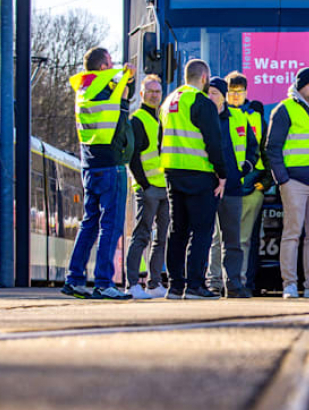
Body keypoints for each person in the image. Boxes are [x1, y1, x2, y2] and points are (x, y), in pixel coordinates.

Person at [62, 47, 135, 300]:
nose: (113, 67)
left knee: (89, 223)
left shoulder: (84, 89)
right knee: (110, 225)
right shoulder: (105, 90)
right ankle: (104, 282)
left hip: (89, 165)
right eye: (110, 63)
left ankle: (74, 279)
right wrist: (124, 84)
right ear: (103, 67)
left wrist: (124, 81)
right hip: (111, 164)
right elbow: (120, 120)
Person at [265, 67, 309, 299]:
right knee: (292, 234)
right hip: (295, 181)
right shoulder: (284, 109)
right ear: (300, 86)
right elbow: (272, 147)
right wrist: (282, 180)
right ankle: (290, 285)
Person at [160, 59, 228, 300]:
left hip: (172, 172)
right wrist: (222, 174)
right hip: (199, 173)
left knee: (177, 230)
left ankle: (175, 286)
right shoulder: (202, 102)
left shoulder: (169, 101)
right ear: (204, 78)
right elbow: (213, 142)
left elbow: (160, 139)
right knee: (201, 231)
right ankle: (195, 285)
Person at [206, 76, 257, 298]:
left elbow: (252, 148)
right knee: (208, 239)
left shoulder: (238, 117)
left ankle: (234, 285)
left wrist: (244, 169)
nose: (210, 97)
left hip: (233, 187)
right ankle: (211, 283)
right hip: (207, 187)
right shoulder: (200, 117)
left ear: (223, 96)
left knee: (232, 240)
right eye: (208, 93)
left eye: (214, 93)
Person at [125, 74, 169, 299]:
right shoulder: (138, 120)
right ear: (142, 94)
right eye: (150, 91)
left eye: (158, 91)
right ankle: (132, 283)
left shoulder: (162, 118)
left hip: (165, 187)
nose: (154, 95)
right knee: (142, 235)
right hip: (148, 187)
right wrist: (143, 184)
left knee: (162, 238)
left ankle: (154, 283)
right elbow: (132, 157)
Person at [225, 71, 269, 295]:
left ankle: (245, 282)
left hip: (252, 184)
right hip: (225, 185)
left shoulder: (256, 116)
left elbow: (266, 149)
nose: (235, 95)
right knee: (223, 240)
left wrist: (266, 181)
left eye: (239, 91)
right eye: (231, 91)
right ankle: (222, 282)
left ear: (246, 92)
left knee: (248, 240)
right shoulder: (219, 114)